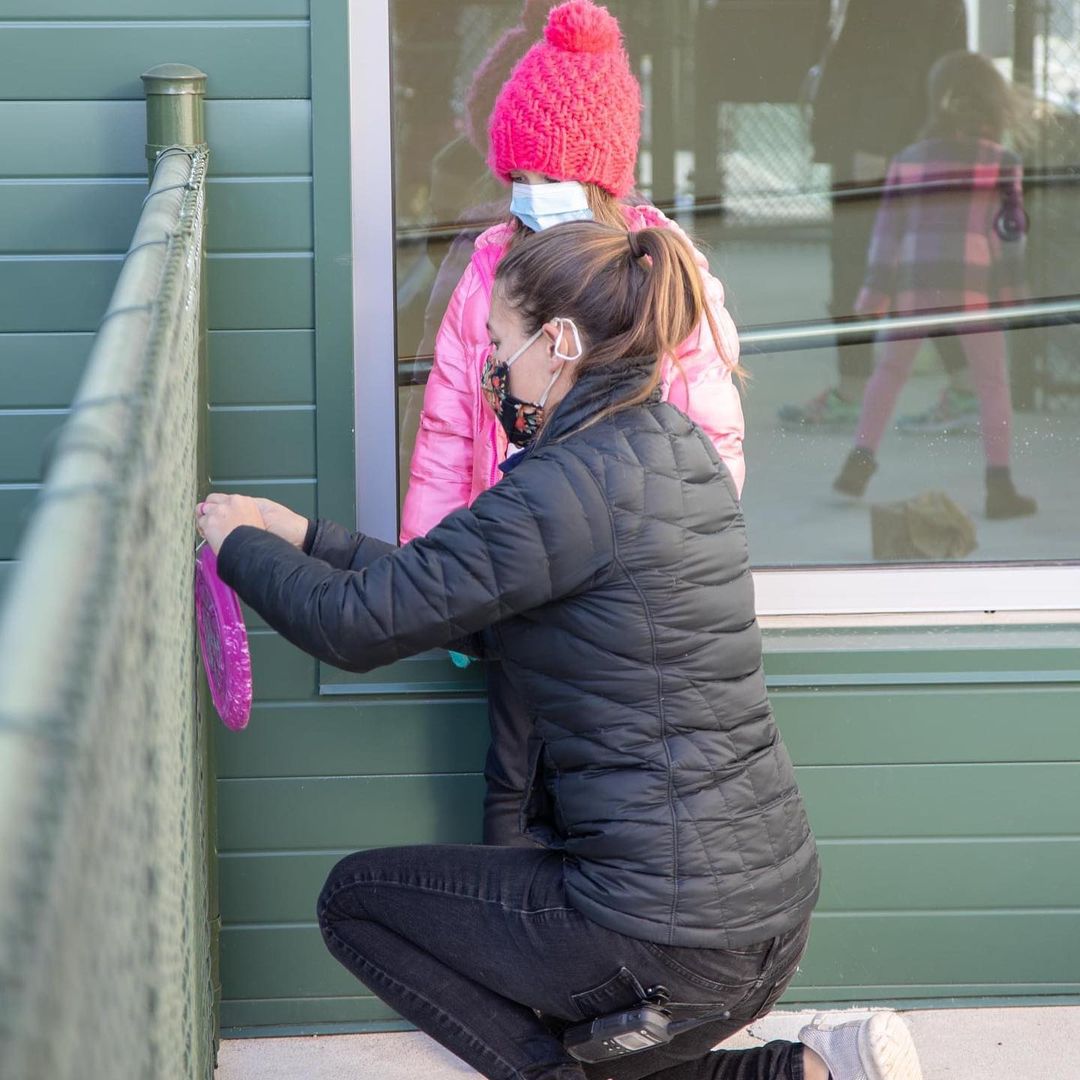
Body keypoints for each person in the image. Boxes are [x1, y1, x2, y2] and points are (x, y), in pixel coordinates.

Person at [197, 220, 923, 1080]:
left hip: (666, 938)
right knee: (583, 1049)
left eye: (499, 344)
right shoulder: (669, 448)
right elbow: (451, 594)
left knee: (356, 902)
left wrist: (236, 543)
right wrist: (308, 536)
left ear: (559, 341)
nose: (490, 369)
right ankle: (793, 1072)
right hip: (769, 919)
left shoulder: (561, 487)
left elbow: (355, 626)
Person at [400, 0, 746, 849]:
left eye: (550, 178)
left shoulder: (658, 274)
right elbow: (449, 427)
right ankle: (512, 951)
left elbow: (712, 431)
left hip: (624, 596)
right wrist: (439, 573)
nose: (531, 195)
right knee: (512, 784)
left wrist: (693, 555)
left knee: (610, 783)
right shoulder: (490, 272)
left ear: (599, 180)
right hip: (515, 571)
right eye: (519, 175)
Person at [833, 51, 1036, 520]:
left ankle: (858, 463)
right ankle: (999, 486)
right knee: (991, 383)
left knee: (890, 373)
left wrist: (874, 294)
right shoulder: (1003, 162)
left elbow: (887, 233)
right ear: (992, 104)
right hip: (975, 291)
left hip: (915, 288)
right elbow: (1011, 235)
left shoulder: (909, 160)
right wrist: (1015, 294)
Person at [780, 0, 977, 433]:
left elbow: (895, 60)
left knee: (859, 267)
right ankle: (962, 387)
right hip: (898, 140)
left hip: (879, 145)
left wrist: (872, 143)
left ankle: (854, 392)